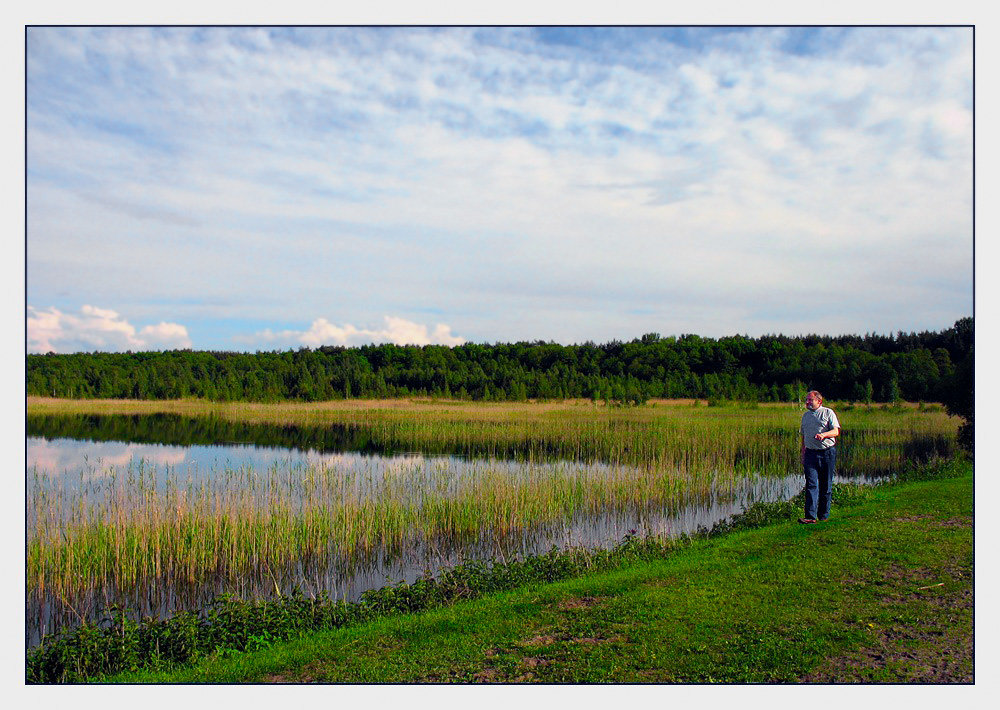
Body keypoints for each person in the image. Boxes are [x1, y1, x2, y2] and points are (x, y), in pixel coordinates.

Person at [799, 390, 840, 524]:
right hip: (810, 454)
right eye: (807, 400)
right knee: (811, 484)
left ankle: (823, 515)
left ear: (819, 401)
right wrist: (803, 454)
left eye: (810, 400)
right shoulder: (805, 416)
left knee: (826, 485)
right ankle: (810, 517)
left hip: (827, 453)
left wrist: (824, 435)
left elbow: (836, 431)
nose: (807, 402)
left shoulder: (828, 413)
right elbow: (803, 437)